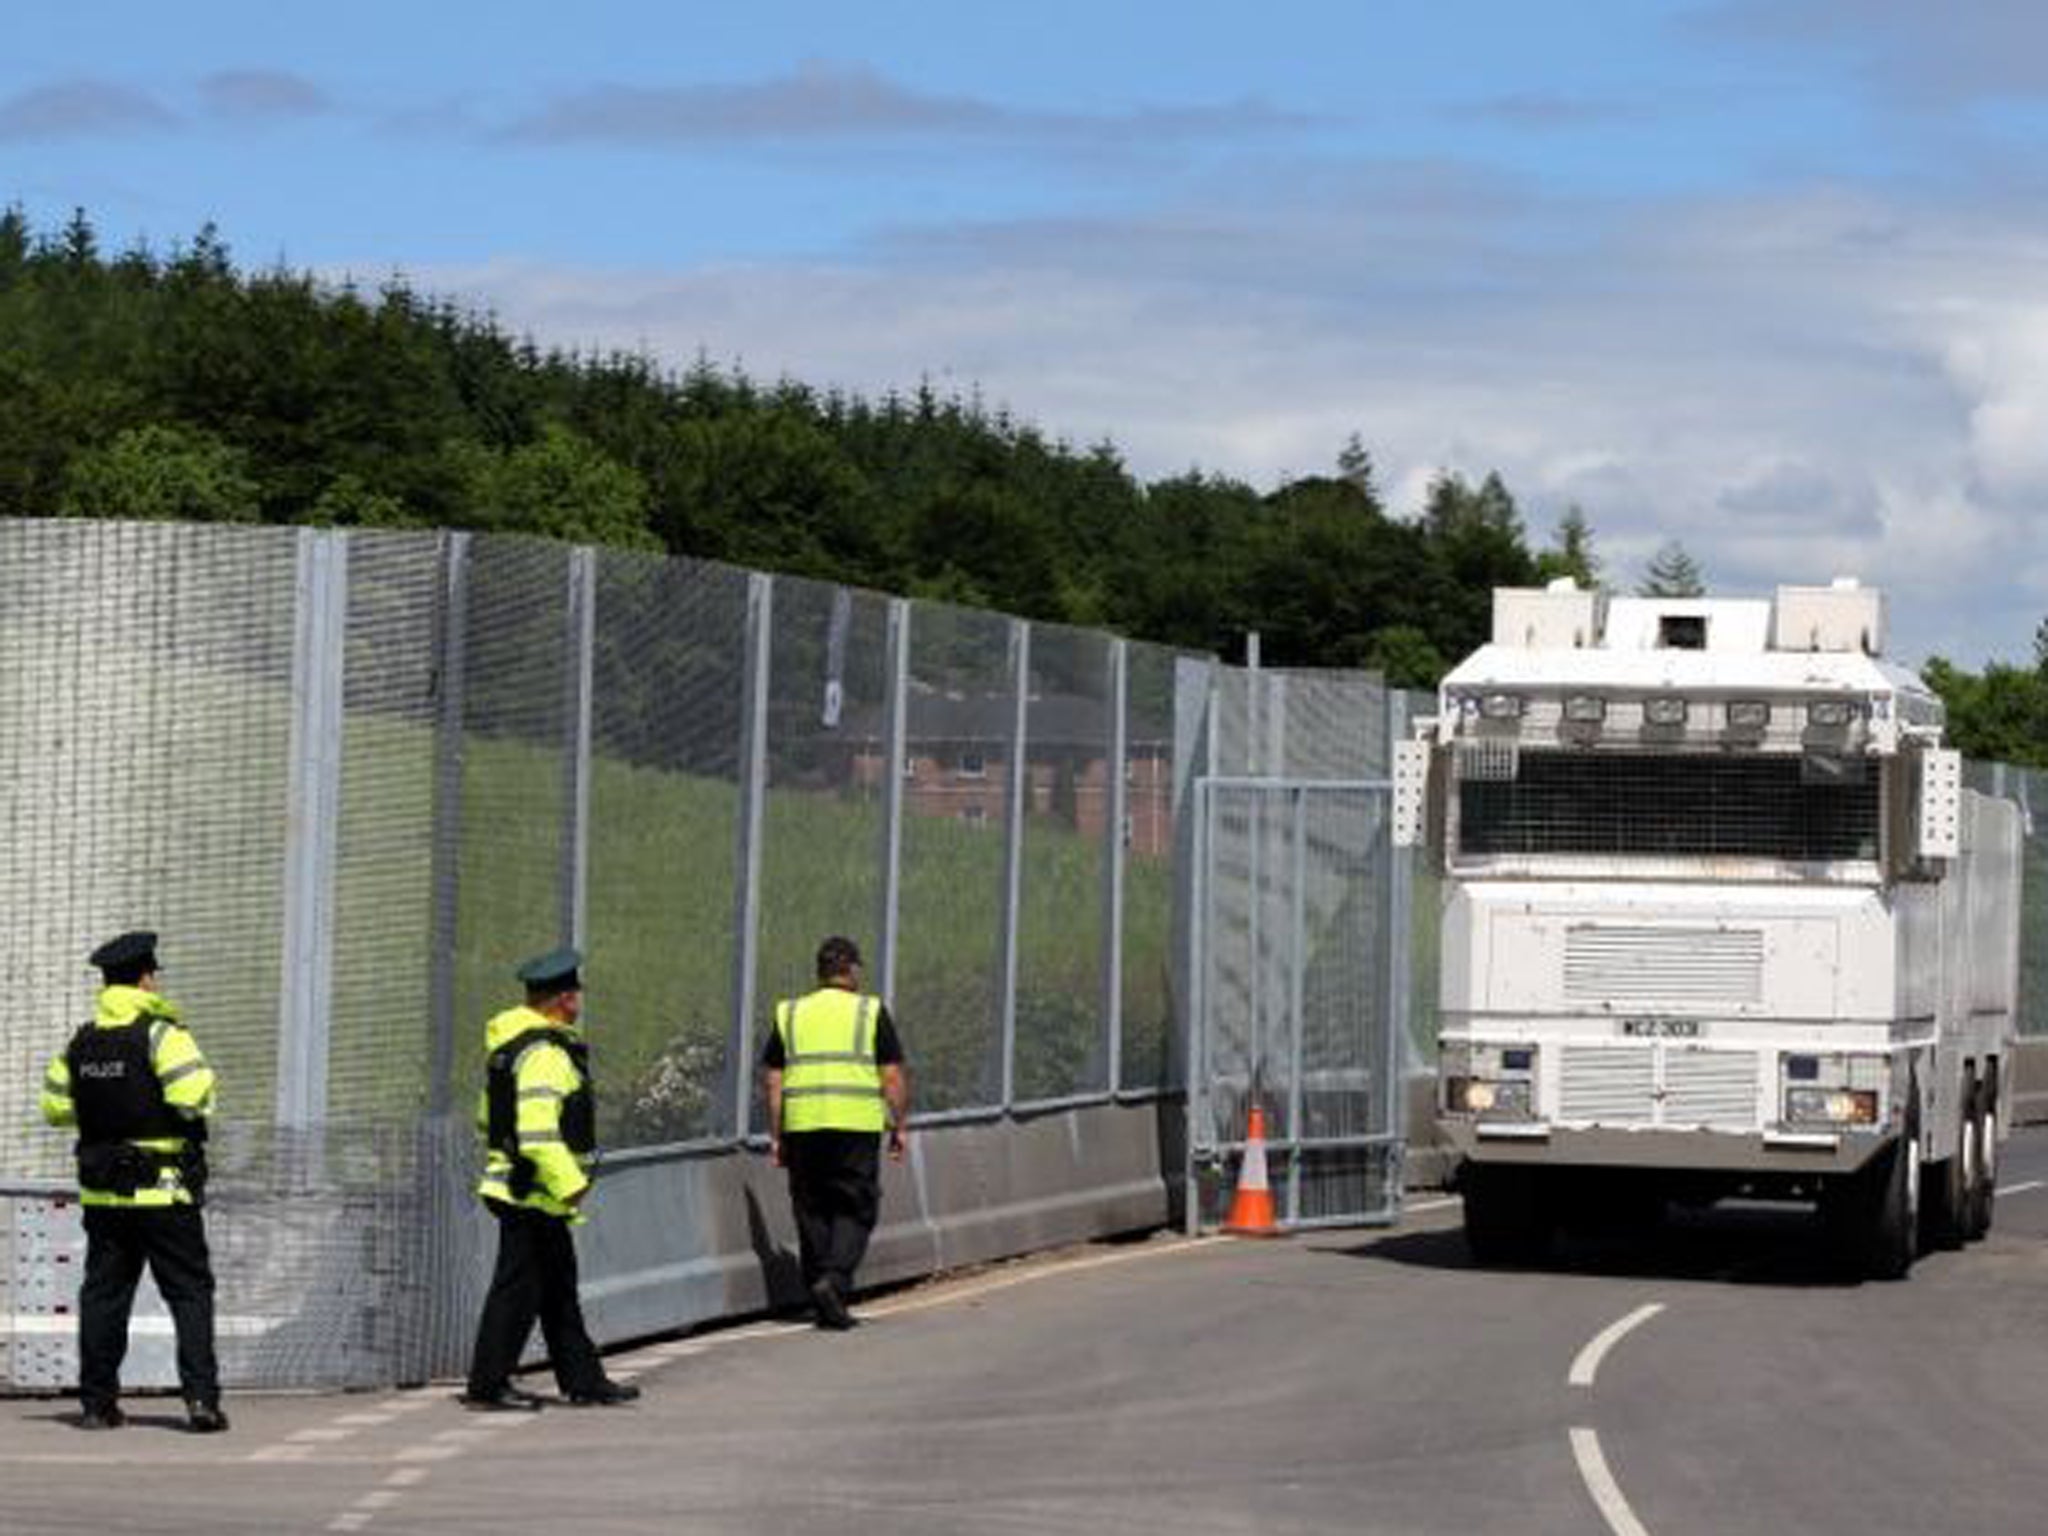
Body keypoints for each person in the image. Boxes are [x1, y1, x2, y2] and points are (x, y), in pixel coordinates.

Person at [40, 931, 226, 1433]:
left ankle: (97, 1405)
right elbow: (193, 1095)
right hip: (163, 1190)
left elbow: (55, 1109)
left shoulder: (80, 1043)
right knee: (188, 1292)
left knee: (104, 1295)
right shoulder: (162, 1034)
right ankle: (201, 1402)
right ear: (147, 977)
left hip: (103, 1193)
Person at [462, 946, 639, 1410]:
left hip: (522, 1187)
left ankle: (584, 1379)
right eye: (575, 991)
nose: (580, 998)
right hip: (532, 1192)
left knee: (558, 1286)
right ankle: (488, 1385)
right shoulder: (545, 1053)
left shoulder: (513, 1045)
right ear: (563, 999)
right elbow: (538, 1134)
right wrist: (570, 1184)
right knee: (517, 1291)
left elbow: (487, 1117)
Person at [762, 935, 909, 1330]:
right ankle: (835, 1281)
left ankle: (821, 1295)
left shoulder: (790, 1013)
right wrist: (899, 1125)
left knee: (811, 1209)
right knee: (855, 1207)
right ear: (853, 969)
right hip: (855, 1124)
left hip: (803, 1125)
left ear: (819, 971)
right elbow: (891, 1075)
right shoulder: (869, 1011)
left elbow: (773, 1081)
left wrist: (776, 1135)